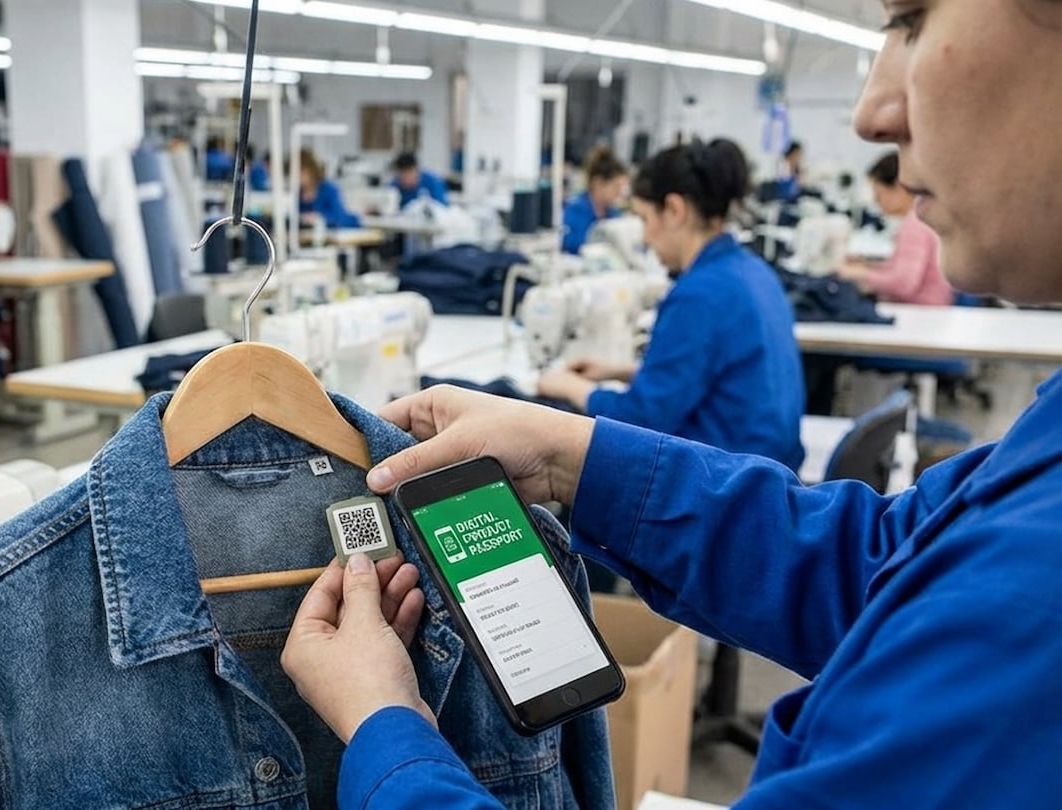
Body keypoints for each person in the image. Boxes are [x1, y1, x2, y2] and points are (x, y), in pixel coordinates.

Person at [280, 1, 1062, 807]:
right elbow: (881, 564)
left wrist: (385, 727)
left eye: (909, 18)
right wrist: (571, 454)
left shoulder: (1037, 595)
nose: (869, 111)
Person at [538, 139, 805, 470]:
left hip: (724, 489)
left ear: (675, 211)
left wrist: (574, 388)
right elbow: (724, 377)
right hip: (767, 472)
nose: (646, 239)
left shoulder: (698, 295)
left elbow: (640, 421)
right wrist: (623, 372)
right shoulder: (754, 271)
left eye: (645, 219)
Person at [837, 151, 954, 305]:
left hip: (922, 314)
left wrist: (858, 274)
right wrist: (866, 265)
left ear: (899, 187)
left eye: (879, 194)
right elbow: (902, 270)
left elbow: (903, 284)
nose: (876, 202)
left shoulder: (915, 226)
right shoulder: (918, 219)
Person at [560, 146, 628, 254]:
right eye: (616, 187)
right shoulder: (575, 211)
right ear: (598, 183)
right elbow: (571, 246)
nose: (619, 193)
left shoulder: (614, 214)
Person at [297, 148, 360, 229]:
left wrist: (320, 218)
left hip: (331, 233)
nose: (297, 175)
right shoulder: (297, 193)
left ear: (312, 171)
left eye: (301, 171)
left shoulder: (329, 189)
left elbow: (338, 216)